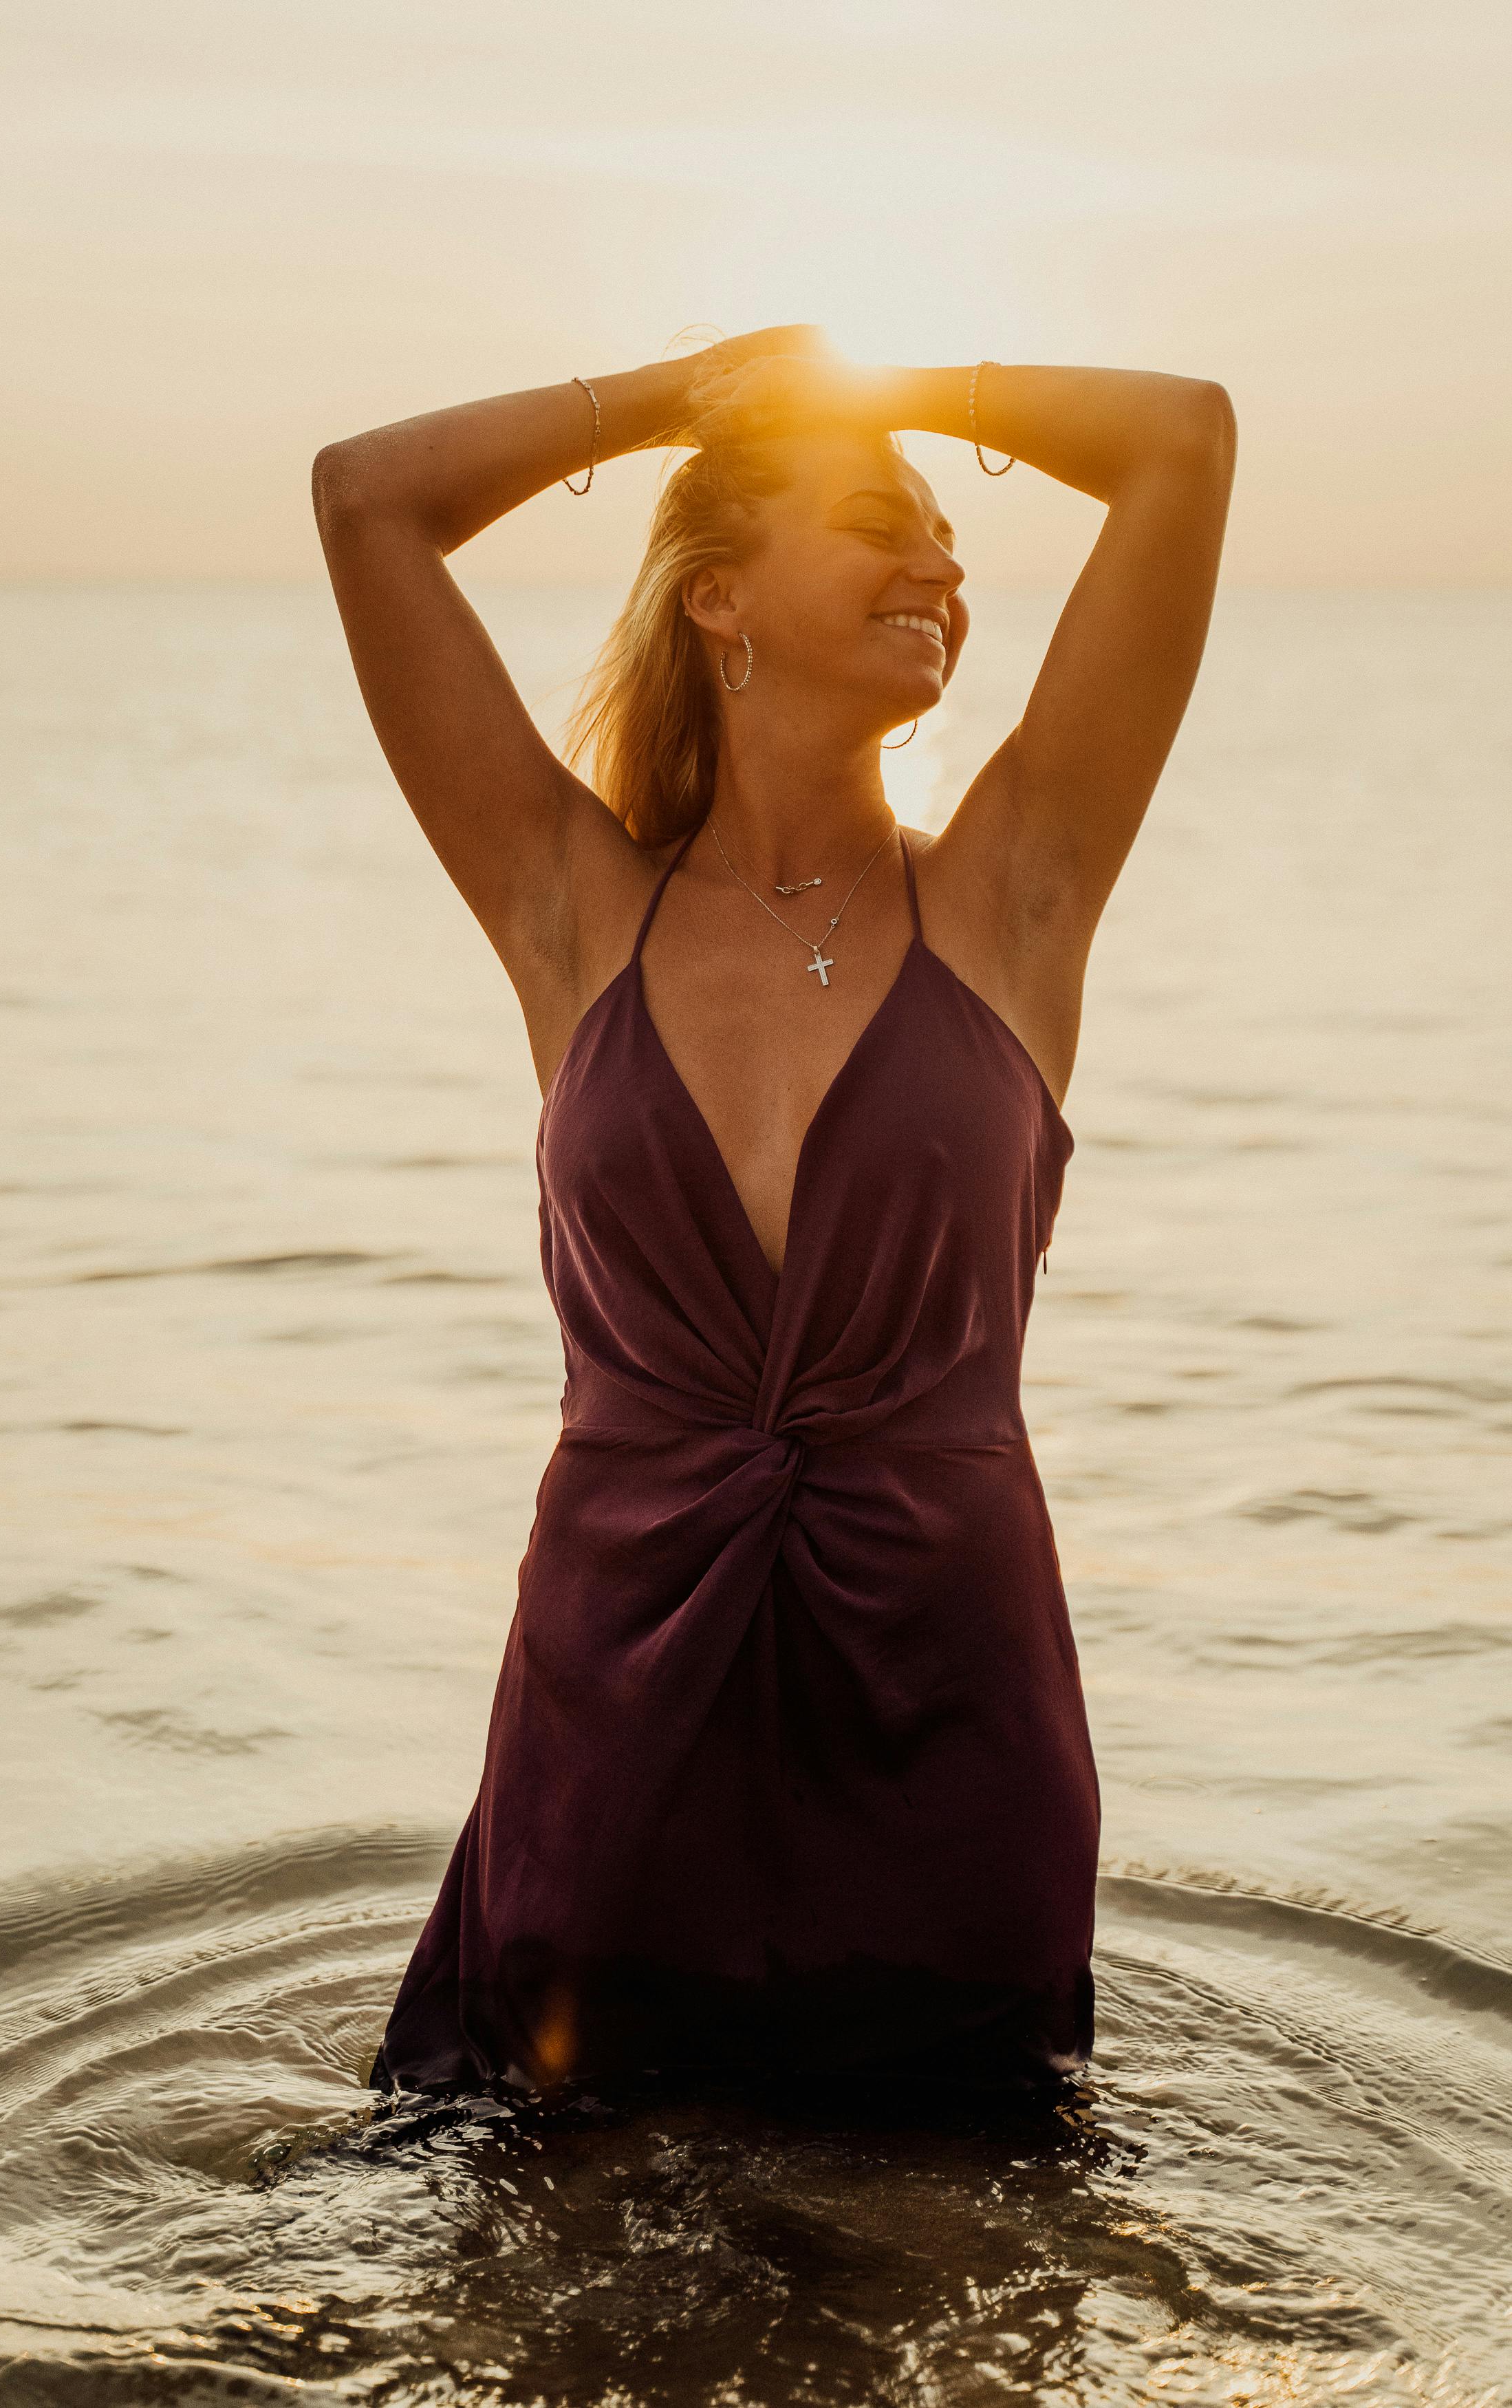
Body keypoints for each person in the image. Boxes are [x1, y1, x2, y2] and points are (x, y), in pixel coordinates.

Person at [312, 328, 1235, 2096]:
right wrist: (694, 395)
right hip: (614, 1720)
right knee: (555, 2297)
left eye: (953, 544)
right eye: (882, 523)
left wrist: (893, 382)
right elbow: (369, 502)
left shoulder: (1015, 890)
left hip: (950, 1724)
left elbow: (1181, 443)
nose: (947, 565)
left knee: (970, 2297)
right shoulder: (571, 905)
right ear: (719, 598)